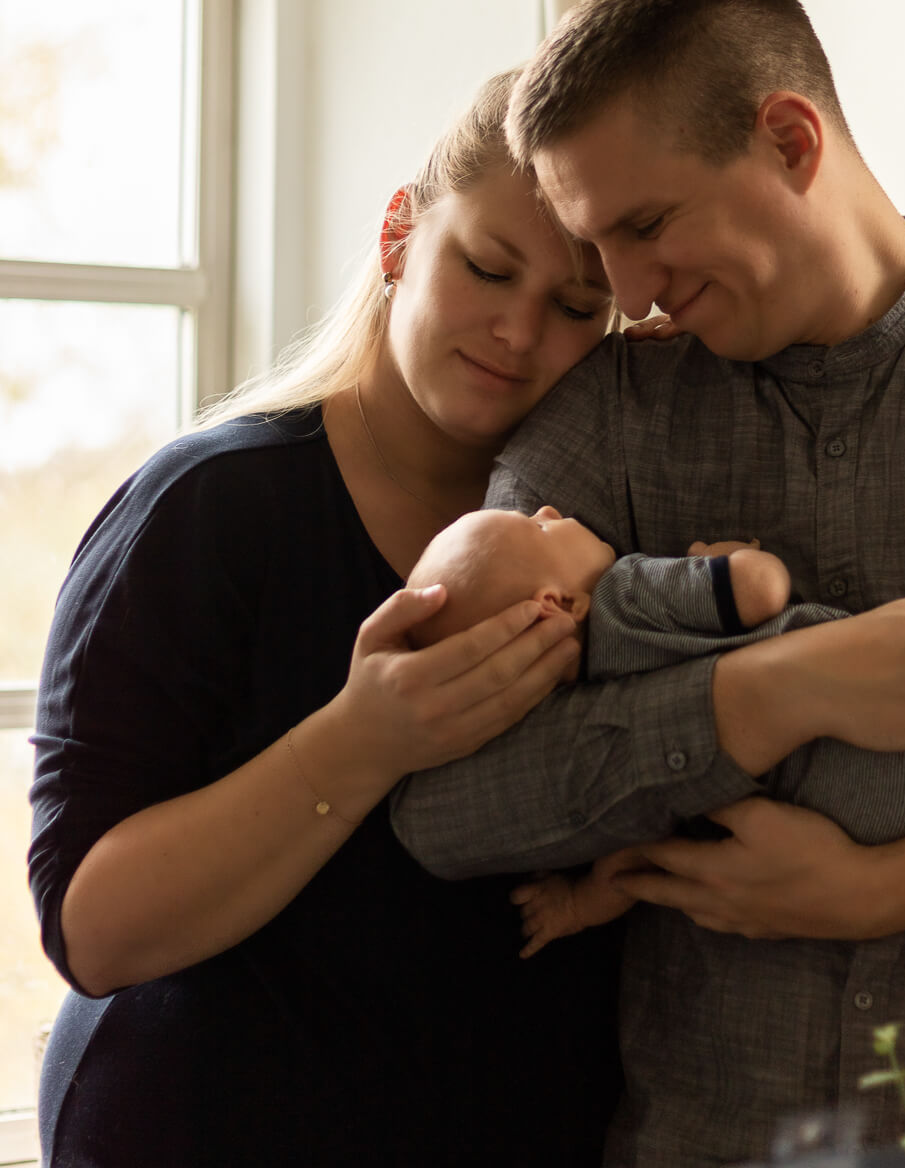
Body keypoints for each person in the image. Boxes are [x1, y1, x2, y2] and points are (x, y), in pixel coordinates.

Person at [390, 0, 905, 1165]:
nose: (632, 296)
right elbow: (446, 804)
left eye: (646, 227)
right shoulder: (606, 418)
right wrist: (766, 692)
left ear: (791, 143)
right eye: (601, 252)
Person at [29, 71, 630, 1168]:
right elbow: (92, 927)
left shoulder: (608, 536)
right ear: (402, 233)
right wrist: (362, 740)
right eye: (487, 267)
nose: (515, 328)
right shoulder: (208, 505)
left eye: (575, 306)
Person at [403, 507, 905, 990]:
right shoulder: (625, 596)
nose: (549, 509)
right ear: (557, 603)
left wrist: (575, 905)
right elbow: (760, 590)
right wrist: (719, 561)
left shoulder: (556, 718)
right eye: (537, 528)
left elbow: (635, 862)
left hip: (849, 820)